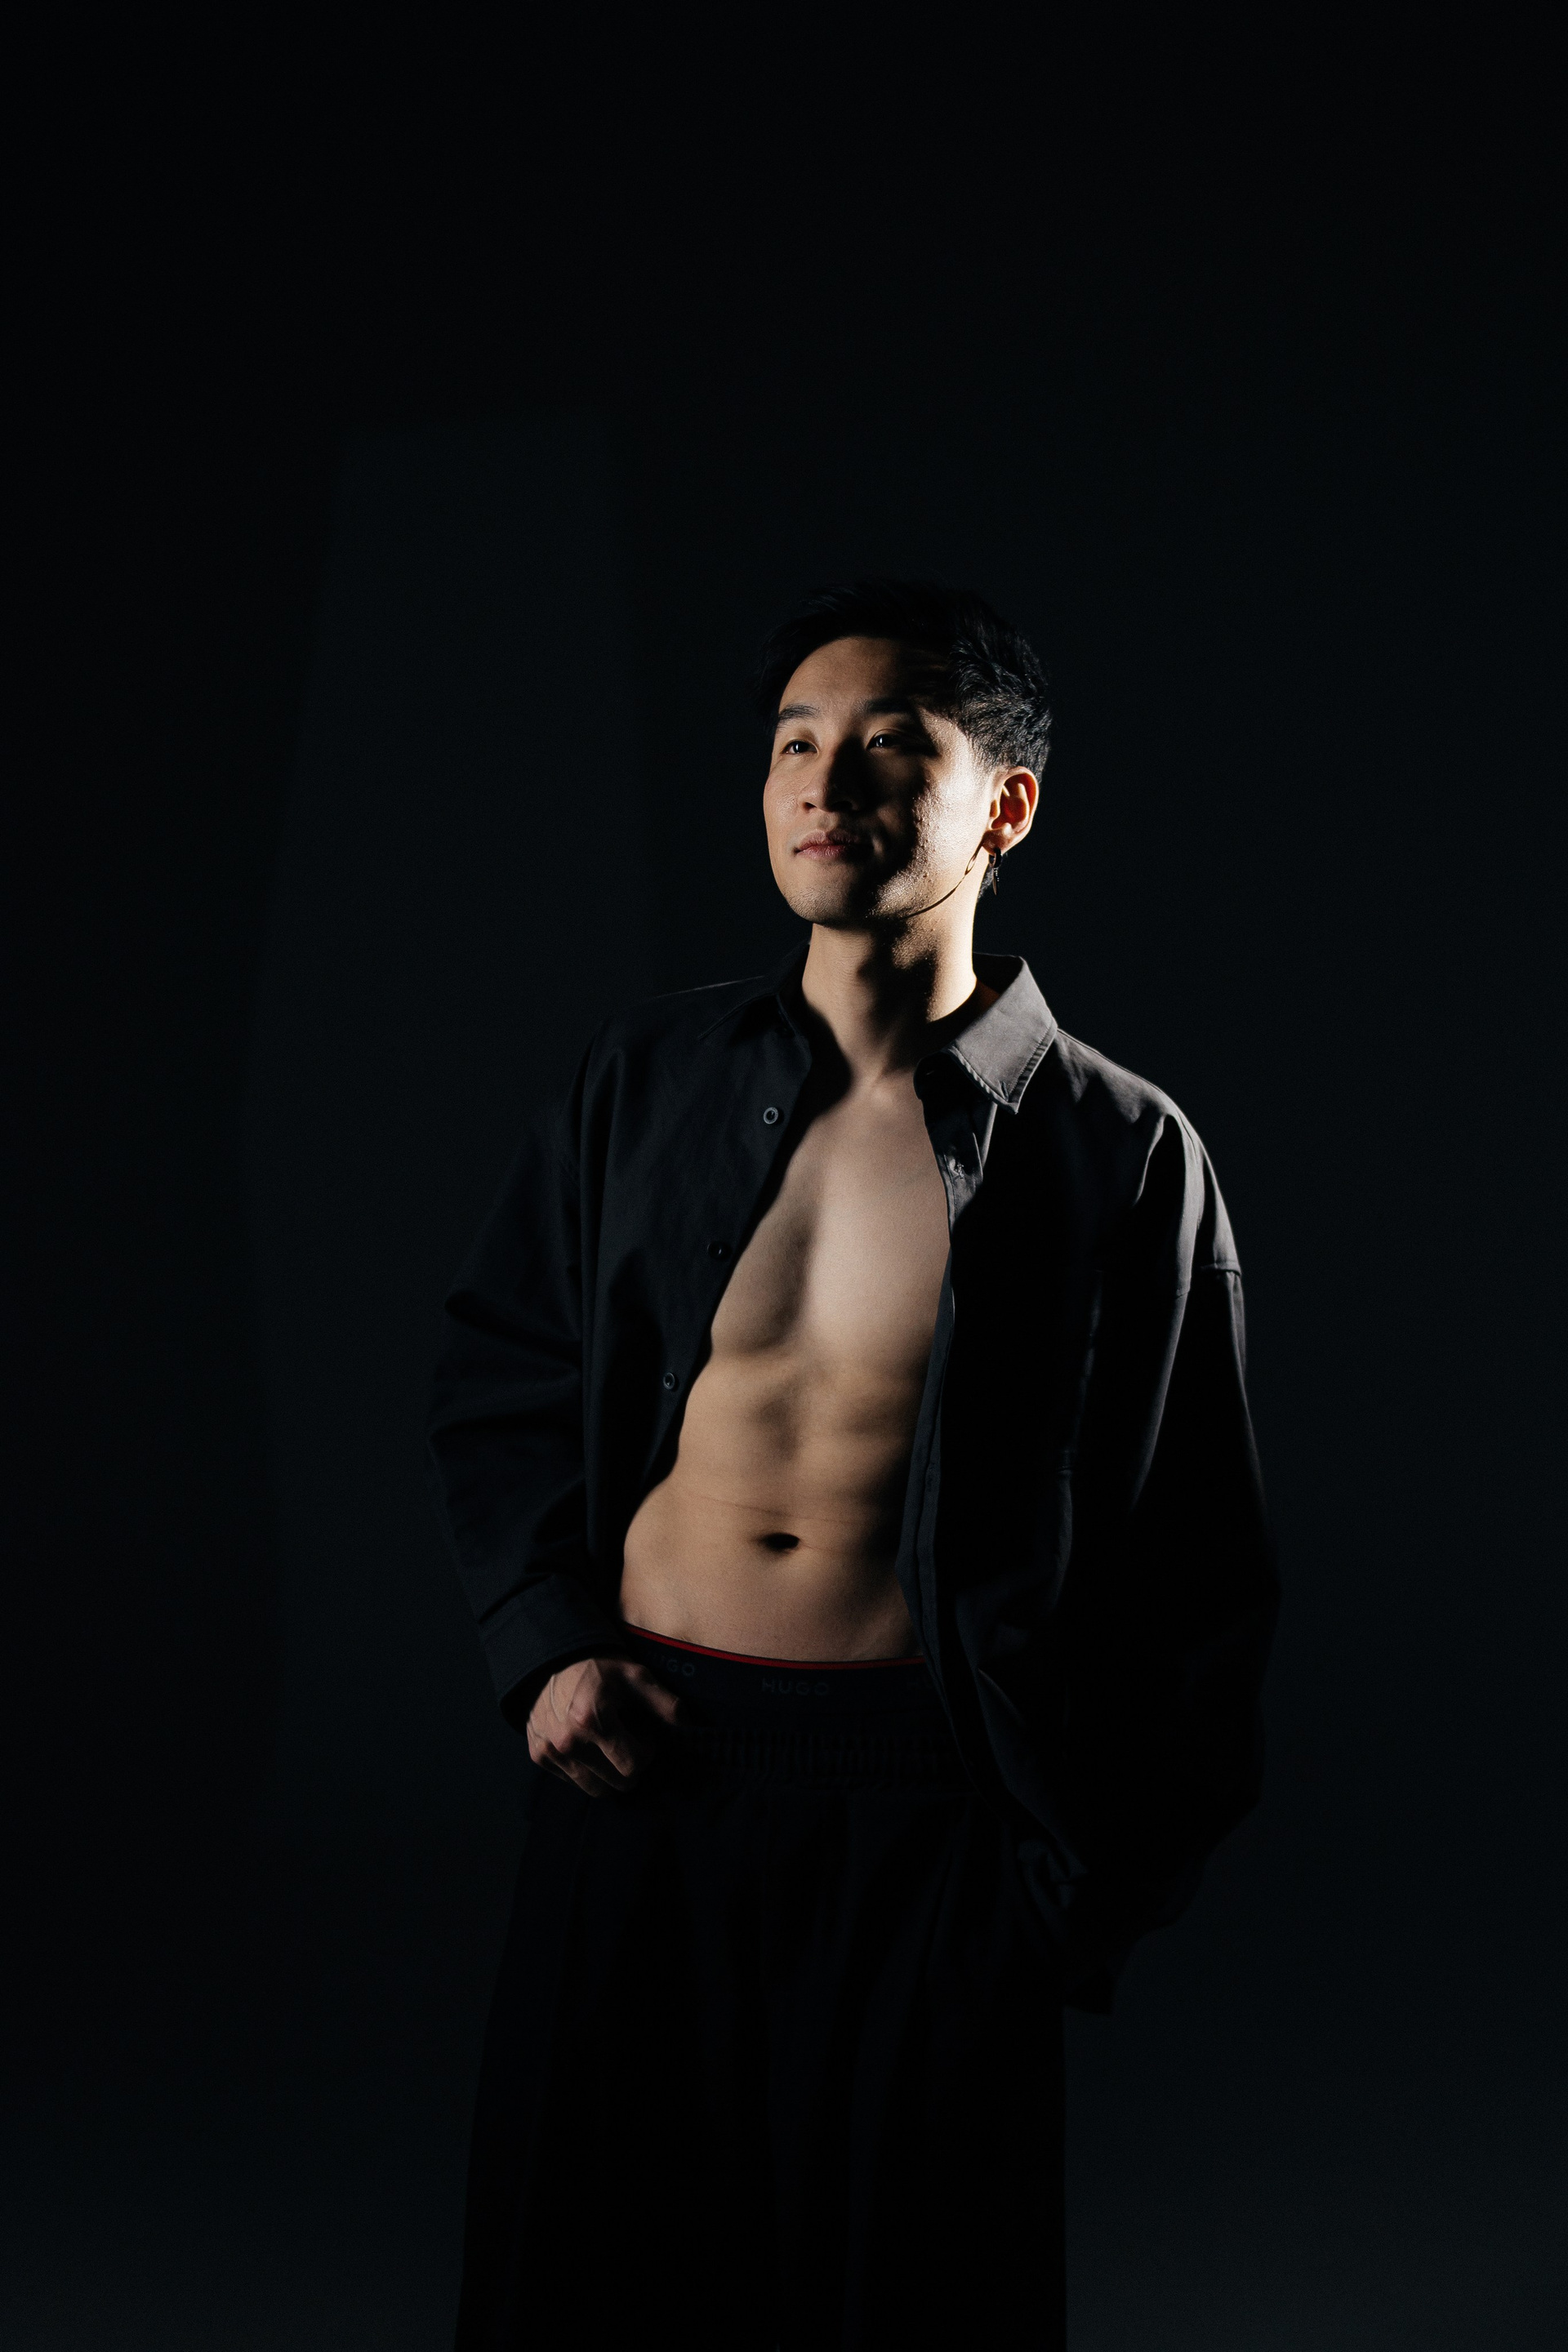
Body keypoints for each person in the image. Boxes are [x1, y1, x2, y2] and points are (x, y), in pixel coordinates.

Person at [427, 578, 1277, 2350]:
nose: (829, 783)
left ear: (1006, 808)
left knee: (905, 2300)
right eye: (797, 744)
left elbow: (1199, 1572)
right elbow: (503, 1374)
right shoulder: (646, 1079)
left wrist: (1068, 1900)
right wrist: (548, 1648)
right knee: (589, 2289)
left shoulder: (1119, 1153)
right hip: (641, 1770)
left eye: (895, 745)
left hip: (926, 1816)